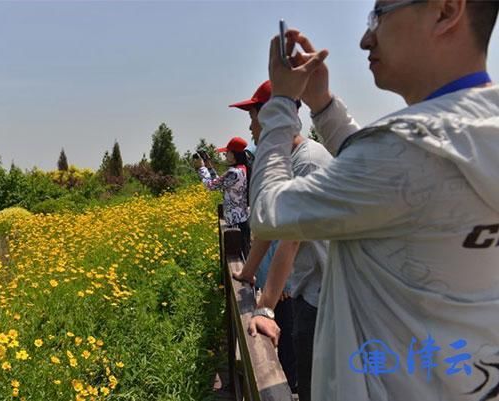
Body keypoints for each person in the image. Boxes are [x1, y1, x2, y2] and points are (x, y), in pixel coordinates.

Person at [249, 1, 499, 400]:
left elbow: (267, 212)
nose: (366, 39)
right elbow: (390, 178)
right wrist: (324, 106)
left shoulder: (403, 151)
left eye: (378, 16)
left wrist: (280, 105)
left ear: (446, 11)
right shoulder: (476, 132)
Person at [229, 80, 331, 398]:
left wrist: (265, 307)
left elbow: (291, 239)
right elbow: (270, 226)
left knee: (315, 386)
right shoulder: (284, 161)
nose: (251, 126)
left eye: (253, 116)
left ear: (273, 115)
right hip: (305, 289)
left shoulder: (307, 161)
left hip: (321, 296)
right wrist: (247, 274)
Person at [195, 137, 251, 256]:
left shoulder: (233, 173)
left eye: (227, 152)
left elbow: (210, 185)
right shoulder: (242, 169)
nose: (225, 155)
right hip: (242, 220)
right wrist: (209, 166)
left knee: (237, 259)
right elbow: (219, 181)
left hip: (235, 225)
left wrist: (202, 168)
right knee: (244, 255)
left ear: (234, 154)